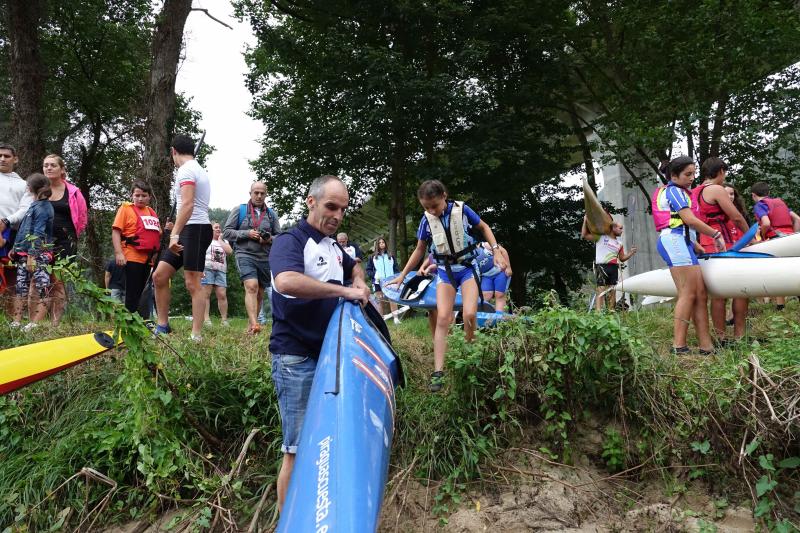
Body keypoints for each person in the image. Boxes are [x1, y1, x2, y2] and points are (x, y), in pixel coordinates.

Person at [269, 175, 369, 511]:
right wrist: (344, 291)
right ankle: (288, 521)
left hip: (331, 355)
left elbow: (356, 267)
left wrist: (358, 281)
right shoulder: (290, 241)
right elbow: (286, 280)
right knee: (296, 451)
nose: (337, 215)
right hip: (295, 358)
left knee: (329, 444)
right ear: (311, 202)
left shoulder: (333, 245)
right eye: (331, 206)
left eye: (342, 209)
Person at [386, 180, 507, 392]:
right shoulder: (427, 220)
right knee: (442, 318)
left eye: (434, 205)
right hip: (444, 272)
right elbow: (419, 250)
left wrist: (496, 250)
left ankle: (471, 358)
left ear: (444, 196)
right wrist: (402, 275)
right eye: (427, 207)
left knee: (469, 315)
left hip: (468, 269)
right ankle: (438, 372)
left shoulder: (462, 210)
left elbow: (484, 227)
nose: (432, 210)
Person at [652, 156, 726, 354]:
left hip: (683, 243)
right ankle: (679, 346)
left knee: (701, 295)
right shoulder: (674, 191)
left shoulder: (681, 191)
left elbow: (682, 224)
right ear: (674, 175)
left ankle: (706, 346)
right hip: (673, 242)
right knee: (688, 293)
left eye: (694, 173)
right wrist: (715, 234)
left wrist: (693, 243)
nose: (692, 178)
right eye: (688, 174)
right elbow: (688, 220)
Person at [152, 135, 212, 341]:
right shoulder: (192, 169)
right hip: (187, 229)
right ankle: (162, 326)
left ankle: (196, 334)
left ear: (173, 151)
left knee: (192, 283)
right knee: (159, 276)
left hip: (196, 229)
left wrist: (174, 234)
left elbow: (187, 205)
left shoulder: (187, 170)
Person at [692, 158, 750, 342]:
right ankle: (740, 335)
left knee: (718, 293)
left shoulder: (695, 191)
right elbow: (736, 217)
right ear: (721, 171)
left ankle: (720, 337)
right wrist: (751, 237)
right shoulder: (716, 189)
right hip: (724, 242)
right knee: (741, 289)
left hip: (705, 244)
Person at [223, 181, 281, 334]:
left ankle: (251, 326)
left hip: (264, 256)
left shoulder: (271, 214)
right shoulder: (239, 210)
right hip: (244, 253)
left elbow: (280, 237)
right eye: (256, 192)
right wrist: (246, 233)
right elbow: (227, 232)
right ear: (250, 193)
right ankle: (256, 324)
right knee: (251, 286)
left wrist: (268, 239)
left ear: (266, 194)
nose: (259, 196)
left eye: (262, 193)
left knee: (260, 292)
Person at [43, 154, 88, 325]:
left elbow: (82, 217)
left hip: (65, 241)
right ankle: (37, 320)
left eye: (53, 165)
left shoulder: (73, 191)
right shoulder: (38, 189)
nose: (48, 168)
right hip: (41, 240)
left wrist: (73, 236)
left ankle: (55, 322)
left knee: (58, 279)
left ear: (62, 169)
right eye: (46, 165)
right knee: (40, 278)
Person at [111, 180, 162, 317]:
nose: (140, 198)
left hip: (148, 260)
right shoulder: (125, 209)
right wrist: (118, 253)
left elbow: (157, 234)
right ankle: (129, 322)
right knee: (132, 292)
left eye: (144, 195)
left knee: (143, 292)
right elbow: (116, 231)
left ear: (149, 197)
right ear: (132, 196)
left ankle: (141, 320)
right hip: (131, 256)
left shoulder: (151, 212)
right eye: (137, 195)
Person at [10, 174, 53, 331]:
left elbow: (38, 233)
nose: (26, 187)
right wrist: (15, 247)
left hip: (37, 255)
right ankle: (16, 322)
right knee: (20, 286)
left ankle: (35, 324)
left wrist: (32, 256)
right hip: (24, 253)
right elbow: (24, 229)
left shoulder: (43, 208)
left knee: (42, 286)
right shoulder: (33, 205)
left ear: (31, 188)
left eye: (28, 185)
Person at [750, 181, 800, 310]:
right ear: (769, 193)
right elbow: (798, 219)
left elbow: (765, 223)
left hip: (776, 238)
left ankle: (780, 306)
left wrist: (763, 234)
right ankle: (781, 304)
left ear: (753, 195)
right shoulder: (780, 203)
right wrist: (793, 235)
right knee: (790, 270)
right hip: (791, 238)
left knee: (777, 271)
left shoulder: (760, 205)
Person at [0, 143, 30, 303]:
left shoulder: (23, 184)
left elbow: (25, 208)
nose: (2, 159)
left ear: (15, 159)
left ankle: (11, 320)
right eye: (0, 156)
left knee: (11, 276)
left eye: (7, 156)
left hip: (11, 233)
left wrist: (6, 221)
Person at [201, 222, 232, 325]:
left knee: (222, 295)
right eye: (216, 228)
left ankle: (224, 320)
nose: (219, 229)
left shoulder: (224, 241)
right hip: (207, 268)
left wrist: (220, 240)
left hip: (221, 270)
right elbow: (199, 253)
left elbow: (229, 251)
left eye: (219, 227)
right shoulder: (205, 239)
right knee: (206, 295)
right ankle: (206, 320)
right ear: (211, 230)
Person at [365, 236, 402, 324]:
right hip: (378, 282)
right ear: (377, 245)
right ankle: (381, 321)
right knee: (379, 300)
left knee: (392, 299)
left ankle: (396, 318)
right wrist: (374, 276)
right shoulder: (372, 257)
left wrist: (396, 277)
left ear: (385, 244)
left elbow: (396, 268)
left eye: (383, 242)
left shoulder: (390, 255)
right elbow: (368, 270)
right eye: (379, 243)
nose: (382, 244)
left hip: (390, 281)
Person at [475, 241, 514, 312]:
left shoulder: (486, 245)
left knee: (499, 295)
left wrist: (508, 267)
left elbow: (503, 251)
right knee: (486, 295)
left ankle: (499, 319)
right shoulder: (468, 253)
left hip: (500, 272)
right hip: (486, 276)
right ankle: (482, 318)